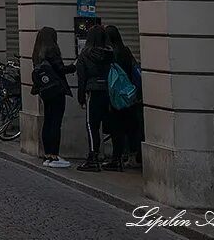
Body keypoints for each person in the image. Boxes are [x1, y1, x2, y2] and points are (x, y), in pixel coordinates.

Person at [75, 24, 122, 172]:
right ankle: (117, 158)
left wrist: (81, 96)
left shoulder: (85, 54)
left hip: (93, 91)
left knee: (92, 126)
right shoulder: (111, 53)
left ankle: (93, 157)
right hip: (109, 92)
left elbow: (81, 77)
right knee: (114, 126)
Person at [31, 25, 75, 168]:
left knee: (48, 121)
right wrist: (74, 66)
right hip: (56, 91)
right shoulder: (52, 50)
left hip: (45, 91)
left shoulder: (37, 53)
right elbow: (60, 69)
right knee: (56, 122)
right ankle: (55, 156)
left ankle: (48, 155)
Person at [105, 24, 143, 166]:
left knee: (117, 129)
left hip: (116, 95)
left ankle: (118, 157)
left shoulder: (111, 54)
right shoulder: (125, 51)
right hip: (129, 93)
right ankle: (133, 156)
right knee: (131, 127)